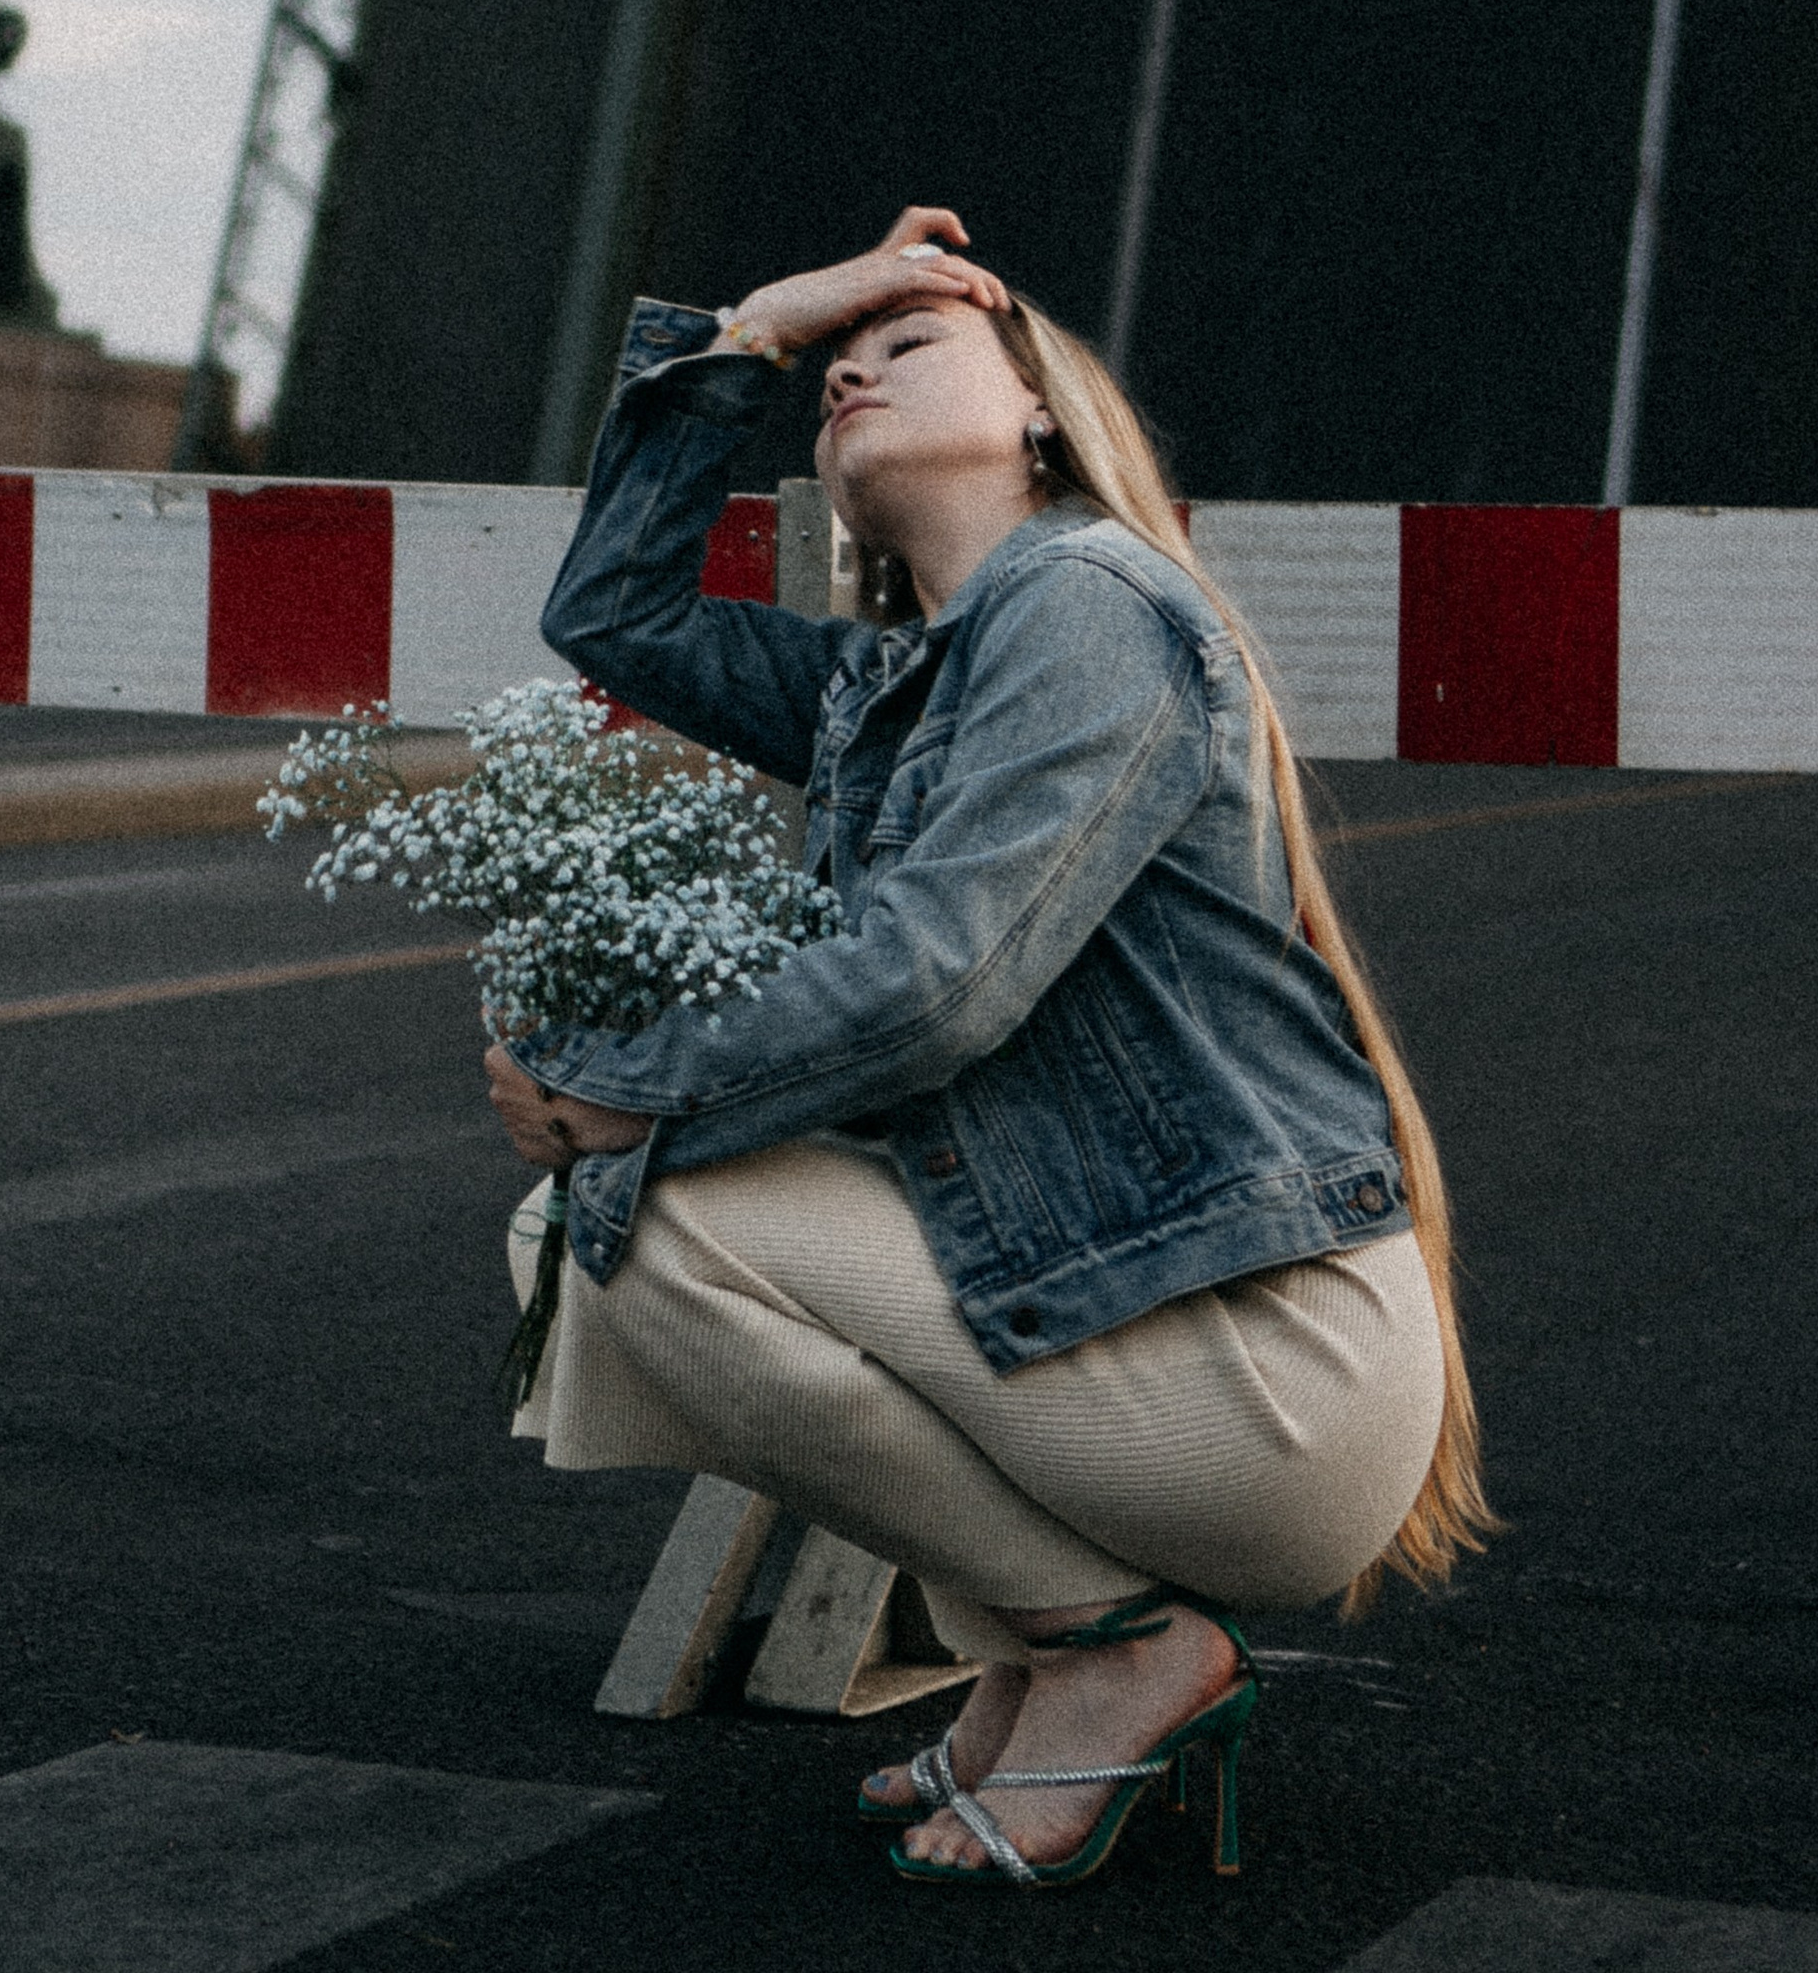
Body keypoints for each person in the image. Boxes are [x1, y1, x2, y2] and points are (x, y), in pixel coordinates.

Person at [484, 207, 1489, 1888]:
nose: (855, 368)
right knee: (576, 1227)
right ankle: (1053, 1658)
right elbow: (615, 616)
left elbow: (936, 983)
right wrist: (753, 333)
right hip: (1139, 1319)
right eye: (838, 369)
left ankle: (1118, 1653)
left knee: (632, 1210)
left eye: (910, 344)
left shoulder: (1086, 599)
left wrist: (612, 1080)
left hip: (1262, 1366)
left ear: (1040, 414)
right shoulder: (901, 684)